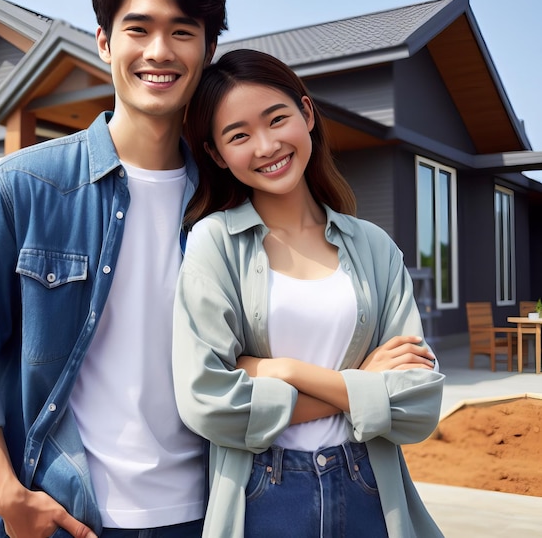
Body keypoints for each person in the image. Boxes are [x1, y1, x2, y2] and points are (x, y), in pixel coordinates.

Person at [0, 0, 227, 538]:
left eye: (183, 32)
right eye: (138, 29)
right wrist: (7, 495)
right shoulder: (21, 187)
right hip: (63, 515)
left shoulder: (226, 201)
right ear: (105, 42)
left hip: (206, 515)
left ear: (208, 50)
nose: (159, 51)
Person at [173, 49, 445, 537]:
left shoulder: (375, 247)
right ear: (217, 154)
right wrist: (359, 384)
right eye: (238, 135)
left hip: (369, 486)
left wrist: (284, 370)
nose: (266, 145)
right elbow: (207, 401)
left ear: (307, 112)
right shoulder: (213, 242)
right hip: (263, 490)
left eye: (277, 119)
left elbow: (418, 403)